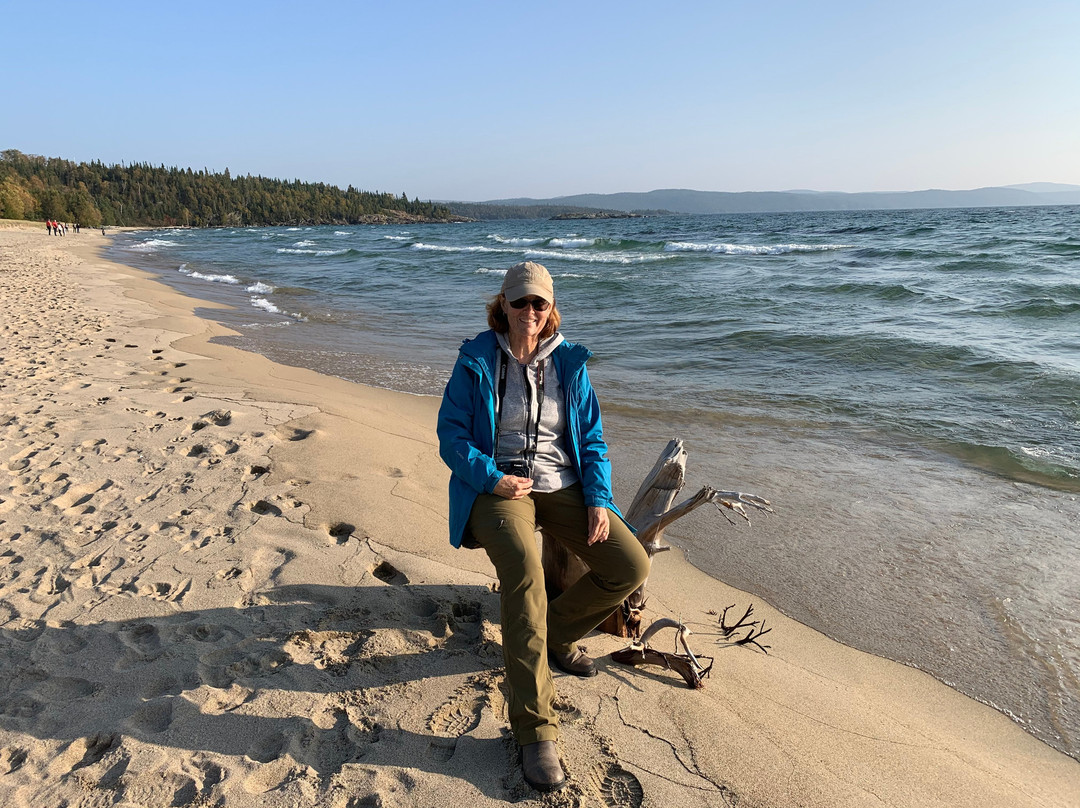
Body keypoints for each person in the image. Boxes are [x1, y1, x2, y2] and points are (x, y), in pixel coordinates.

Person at [437, 261, 649, 792]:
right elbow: (451, 435)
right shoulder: (476, 361)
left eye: (540, 304)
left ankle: (553, 636)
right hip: (499, 487)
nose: (529, 312)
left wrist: (599, 499)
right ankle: (534, 729)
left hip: (563, 485)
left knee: (629, 564)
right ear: (502, 306)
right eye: (519, 302)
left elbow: (593, 439)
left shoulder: (570, 365)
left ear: (551, 310)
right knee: (526, 575)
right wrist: (492, 478)